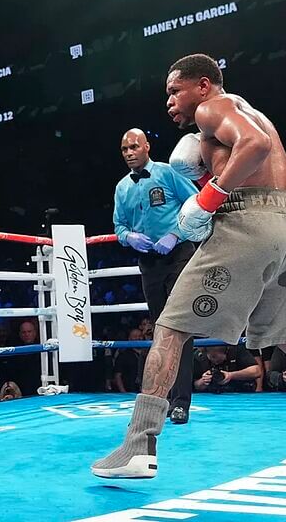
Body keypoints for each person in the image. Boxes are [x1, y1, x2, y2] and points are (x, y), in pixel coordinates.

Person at [92, 53, 286, 479]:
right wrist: (210, 180)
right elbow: (256, 154)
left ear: (203, 85)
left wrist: (209, 196)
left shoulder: (212, 107)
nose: (168, 101)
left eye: (174, 90)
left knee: (169, 329)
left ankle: (137, 446)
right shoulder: (247, 111)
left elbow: (252, 147)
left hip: (247, 225)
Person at [113, 128, 199, 423]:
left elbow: (196, 204)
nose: (129, 153)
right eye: (124, 149)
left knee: (179, 326)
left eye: (134, 146)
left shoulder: (167, 173)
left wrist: (175, 234)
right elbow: (119, 226)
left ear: (147, 146)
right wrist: (129, 238)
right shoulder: (122, 187)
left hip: (178, 254)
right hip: (149, 262)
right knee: (161, 329)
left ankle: (180, 402)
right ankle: (159, 397)